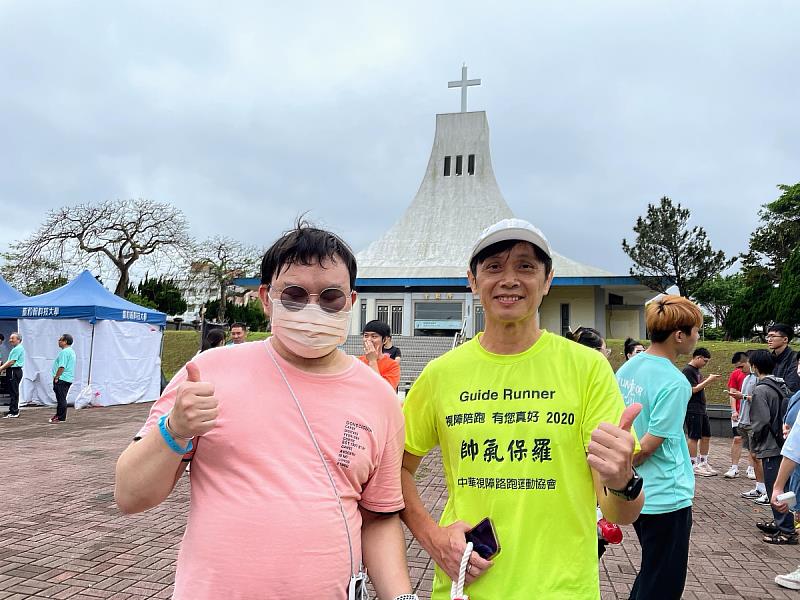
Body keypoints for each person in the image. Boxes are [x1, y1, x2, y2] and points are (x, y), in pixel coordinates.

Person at [115, 222, 416, 600]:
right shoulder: (207, 372)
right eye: (294, 294)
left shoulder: (379, 398)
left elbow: (380, 518)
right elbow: (130, 495)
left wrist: (402, 596)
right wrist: (174, 429)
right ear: (265, 298)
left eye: (330, 297)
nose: (312, 308)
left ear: (351, 302)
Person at [400, 218, 643, 600]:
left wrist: (622, 479)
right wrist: (432, 537)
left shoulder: (587, 369)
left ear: (547, 280)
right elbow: (395, 468)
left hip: (563, 590)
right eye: (494, 267)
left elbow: (620, 514)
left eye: (526, 266)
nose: (509, 279)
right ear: (473, 280)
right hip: (467, 585)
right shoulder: (440, 374)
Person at [616, 294, 702, 600]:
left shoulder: (629, 367)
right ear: (679, 335)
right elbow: (647, 447)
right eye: (696, 331)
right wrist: (623, 466)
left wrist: (619, 476)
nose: (697, 337)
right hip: (667, 494)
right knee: (664, 583)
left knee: (652, 571)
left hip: (637, 493)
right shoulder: (675, 382)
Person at [742, 350, 795, 544]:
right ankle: (784, 522)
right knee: (784, 486)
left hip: (771, 444)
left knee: (775, 488)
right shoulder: (781, 385)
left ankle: (786, 530)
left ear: (755, 366)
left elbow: (761, 420)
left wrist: (754, 438)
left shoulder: (761, 389)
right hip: (784, 442)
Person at [682, 348, 721, 476]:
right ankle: (692, 464)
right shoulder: (687, 371)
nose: (705, 364)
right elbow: (692, 389)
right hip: (692, 408)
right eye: (705, 361)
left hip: (701, 408)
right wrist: (708, 380)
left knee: (706, 435)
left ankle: (703, 462)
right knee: (694, 437)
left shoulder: (697, 371)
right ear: (698, 357)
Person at [725, 352, 750, 478]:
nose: (740, 369)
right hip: (739, 412)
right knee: (737, 438)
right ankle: (734, 467)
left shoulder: (755, 376)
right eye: (737, 367)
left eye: (741, 366)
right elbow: (732, 393)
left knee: (752, 441)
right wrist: (734, 411)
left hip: (751, 413)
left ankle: (752, 467)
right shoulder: (735, 374)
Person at [359, 320, 401, 390]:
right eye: (366, 336)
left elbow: (385, 390)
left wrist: (372, 361)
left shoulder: (392, 366)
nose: (369, 340)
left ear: (384, 340)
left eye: (374, 336)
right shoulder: (357, 362)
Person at [50, 333, 76, 423]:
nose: (59, 341)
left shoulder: (64, 352)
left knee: (61, 398)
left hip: (62, 378)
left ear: (65, 341)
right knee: (62, 398)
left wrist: (57, 377)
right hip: (68, 378)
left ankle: (60, 417)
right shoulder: (71, 351)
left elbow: (62, 366)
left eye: (60, 340)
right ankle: (59, 415)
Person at [767, 323, 800, 394]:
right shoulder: (768, 358)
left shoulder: (795, 359)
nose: (769, 339)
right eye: (768, 336)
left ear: (785, 339)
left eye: (773, 336)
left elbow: (792, 386)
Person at [0, 332, 24, 419]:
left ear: (18, 340)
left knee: (14, 391)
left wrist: (1, 368)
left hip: (14, 370)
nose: (10, 340)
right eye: (10, 338)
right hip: (14, 370)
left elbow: (11, 362)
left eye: (12, 338)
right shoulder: (16, 348)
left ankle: (14, 411)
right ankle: (13, 410)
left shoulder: (17, 349)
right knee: (13, 390)